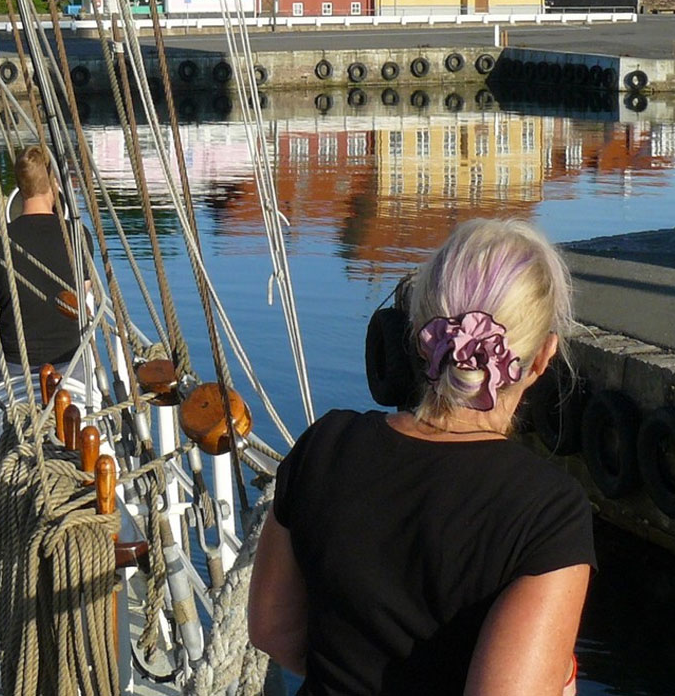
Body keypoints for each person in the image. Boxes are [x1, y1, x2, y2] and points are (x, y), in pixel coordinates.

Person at [249, 218, 595, 695]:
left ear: (417, 333)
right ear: (541, 358)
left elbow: (272, 630)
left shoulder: (326, 444)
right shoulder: (548, 512)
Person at [0, 146, 88, 371]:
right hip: (69, 359)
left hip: (16, 359)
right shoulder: (78, 235)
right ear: (55, 185)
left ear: (19, 188)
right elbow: (82, 293)